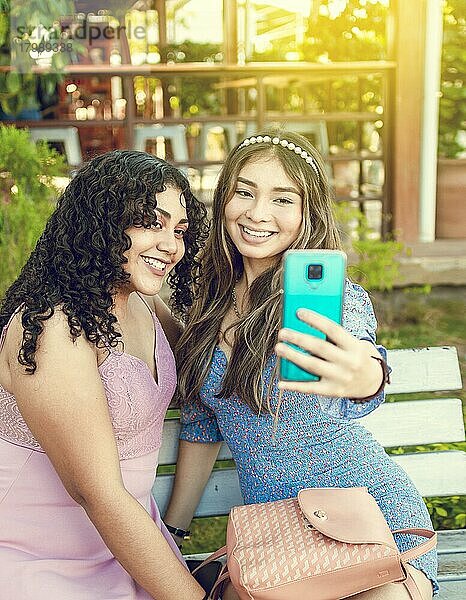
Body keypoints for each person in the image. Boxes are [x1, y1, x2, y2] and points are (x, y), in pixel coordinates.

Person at [163, 131, 438, 599]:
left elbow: (364, 367)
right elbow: (202, 426)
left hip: (370, 520)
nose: (257, 213)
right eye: (244, 191)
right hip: (276, 538)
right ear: (224, 197)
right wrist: (173, 533)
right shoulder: (205, 308)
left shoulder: (330, 302)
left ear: (308, 211)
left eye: (282, 199)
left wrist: (367, 378)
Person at [0, 150, 212, 599]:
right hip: (41, 557)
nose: (172, 246)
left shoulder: (140, 301)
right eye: (152, 223)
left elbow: (206, 372)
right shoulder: (53, 327)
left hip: (127, 539)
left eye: (179, 230)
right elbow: (97, 493)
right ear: (102, 222)